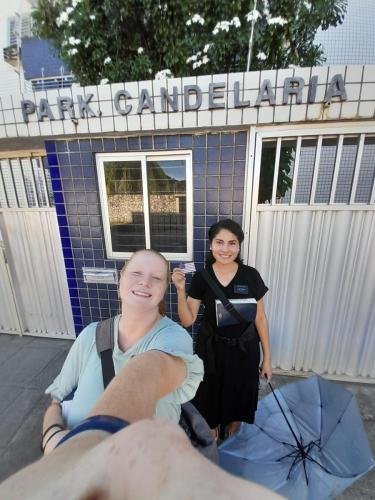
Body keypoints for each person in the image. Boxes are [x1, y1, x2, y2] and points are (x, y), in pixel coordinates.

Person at [0, 349, 282, 500]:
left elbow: (51, 435)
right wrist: (153, 366)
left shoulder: (58, 454)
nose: (162, 430)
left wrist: (54, 410)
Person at [41, 248, 204, 454]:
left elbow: (156, 369)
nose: (145, 282)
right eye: (136, 273)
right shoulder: (90, 335)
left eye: (156, 278)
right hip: (72, 467)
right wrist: (51, 437)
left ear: (164, 289)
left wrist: (84, 445)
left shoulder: (174, 337)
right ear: (121, 277)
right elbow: (57, 400)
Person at [172, 219, 272, 440]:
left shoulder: (251, 275)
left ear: (238, 246)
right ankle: (213, 423)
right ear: (210, 245)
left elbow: (261, 318)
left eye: (232, 243)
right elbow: (188, 320)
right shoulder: (202, 277)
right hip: (211, 348)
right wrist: (180, 290)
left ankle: (234, 422)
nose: (225, 249)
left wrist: (267, 358)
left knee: (241, 388)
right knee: (209, 389)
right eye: (219, 242)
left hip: (245, 348)